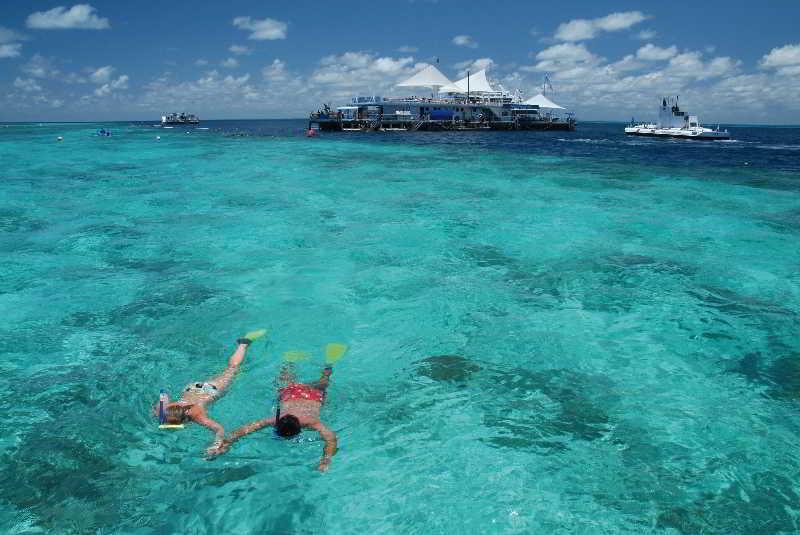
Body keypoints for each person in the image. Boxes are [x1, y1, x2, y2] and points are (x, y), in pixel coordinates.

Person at [209, 344, 346, 471]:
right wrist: (325, 459)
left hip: (304, 395)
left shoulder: (297, 421)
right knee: (309, 383)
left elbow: (242, 430)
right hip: (303, 395)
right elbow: (330, 438)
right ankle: (325, 367)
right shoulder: (309, 422)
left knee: (294, 383)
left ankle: (291, 362)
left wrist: (225, 444)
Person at [155, 330, 266, 454]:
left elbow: (219, 429)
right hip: (193, 387)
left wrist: (216, 445)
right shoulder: (162, 410)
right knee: (226, 373)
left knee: (233, 368)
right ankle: (235, 371)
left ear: (186, 418)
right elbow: (163, 394)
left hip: (211, 390)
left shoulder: (196, 415)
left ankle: (243, 344)